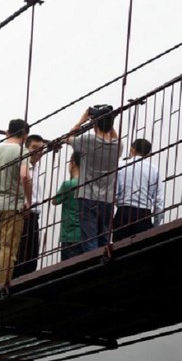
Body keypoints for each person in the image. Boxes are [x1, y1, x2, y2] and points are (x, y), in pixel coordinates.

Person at [55, 105, 121, 255]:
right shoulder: (118, 146)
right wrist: (109, 121)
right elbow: (115, 139)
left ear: (94, 124)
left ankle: (94, 266)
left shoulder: (88, 140)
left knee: (89, 240)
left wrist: (82, 120)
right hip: (108, 199)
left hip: (87, 198)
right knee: (104, 238)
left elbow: (68, 138)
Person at [0, 118, 32, 289]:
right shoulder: (21, 151)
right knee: (7, 248)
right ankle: (2, 285)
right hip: (12, 206)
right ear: (25, 136)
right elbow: (25, 176)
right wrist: (29, 201)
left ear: (7, 132)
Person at [114, 138, 164, 240]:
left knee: (119, 251)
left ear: (132, 149)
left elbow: (113, 194)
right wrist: (156, 225)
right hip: (144, 215)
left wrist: (110, 218)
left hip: (123, 212)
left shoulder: (120, 166)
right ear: (148, 153)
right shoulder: (154, 170)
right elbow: (159, 201)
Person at [14, 134, 47, 278]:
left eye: (41, 149)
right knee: (20, 255)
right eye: (34, 148)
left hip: (35, 215)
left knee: (32, 255)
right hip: (23, 214)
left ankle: (27, 281)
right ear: (26, 148)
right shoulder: (22, 167)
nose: (38, 152)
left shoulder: (37, 168)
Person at [51, 151, 83, 260]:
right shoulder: (91, 183)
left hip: (69, 237)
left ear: (73, 163)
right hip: (86, 235)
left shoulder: (68, 185)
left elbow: (54, 201)